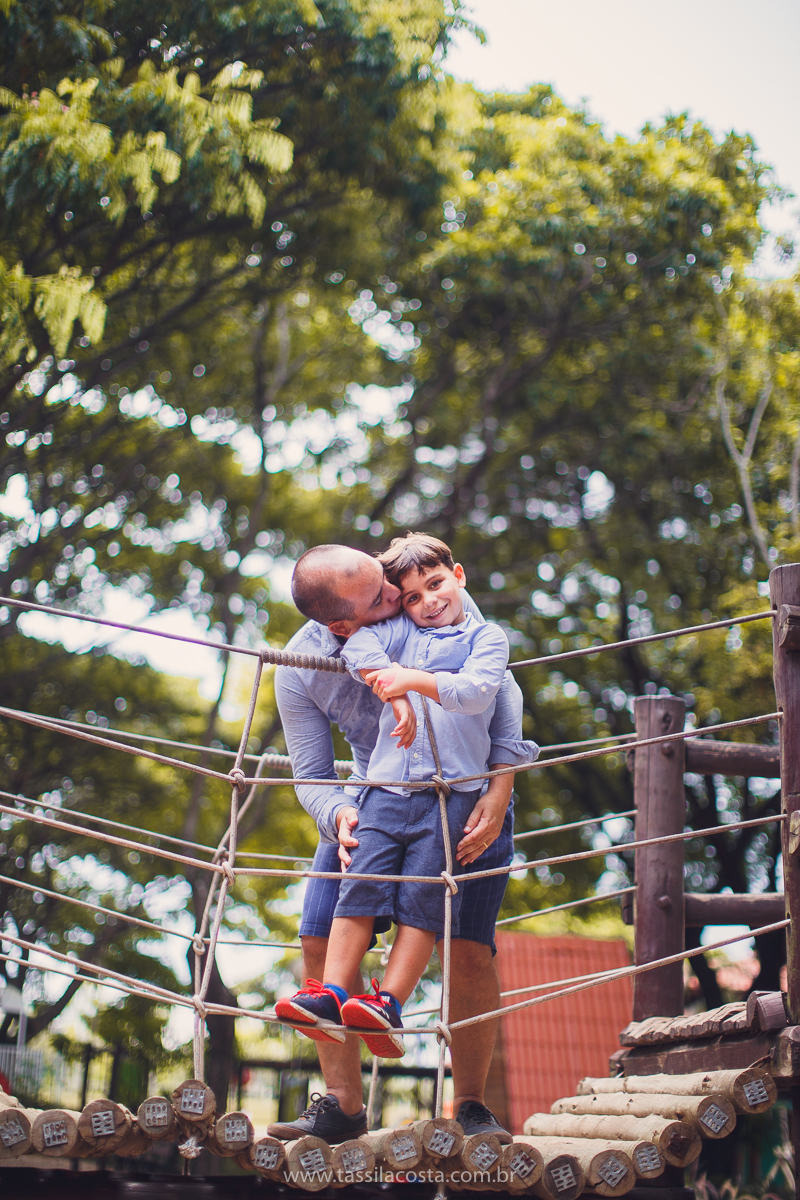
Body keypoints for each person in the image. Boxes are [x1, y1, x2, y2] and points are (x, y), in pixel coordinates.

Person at [269, 542, 533, 1145]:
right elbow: (310, 772)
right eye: (384, 595)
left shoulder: (423, 606)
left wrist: (500, 788)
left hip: (466, 787)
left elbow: (500, 690)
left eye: (391, 584)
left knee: (466, 945)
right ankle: (341, 1103)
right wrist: (338, 813)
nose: (396, 594)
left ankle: (469, 1104)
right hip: (373, 791)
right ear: (341, 622)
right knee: (319, 928)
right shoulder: (303, 666)